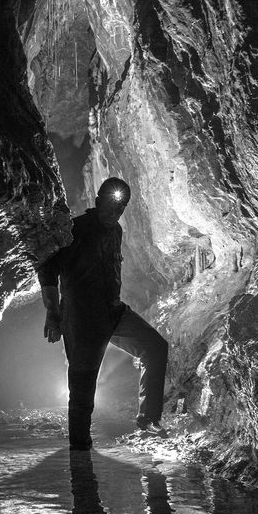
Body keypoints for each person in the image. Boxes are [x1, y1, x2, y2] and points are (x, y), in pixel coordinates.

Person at [36, 177, 168, 450]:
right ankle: (80, 452)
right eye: (110, 207)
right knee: (82, 391)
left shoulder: (116, 231)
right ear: (97, 203)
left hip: (112, 311)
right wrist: (52, 312)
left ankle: (148, 420)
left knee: (155, 348)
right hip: (81, 319)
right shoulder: (75, 229)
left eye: (121, 209)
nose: (115, 214)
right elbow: (47, 269)